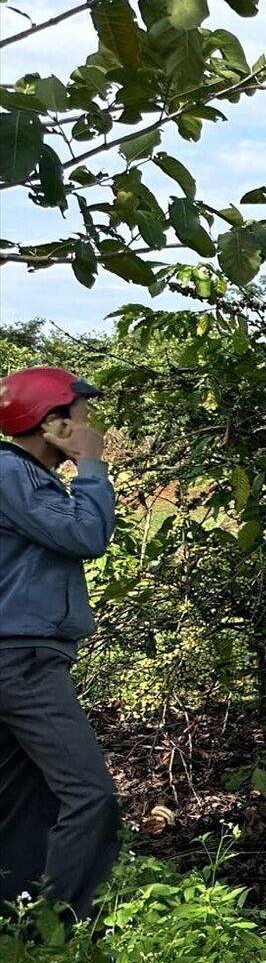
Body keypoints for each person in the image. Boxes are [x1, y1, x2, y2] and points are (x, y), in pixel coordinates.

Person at [0, 366, 119, 919]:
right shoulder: (10, 472)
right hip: (19, 658)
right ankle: (59, 929)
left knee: (29, 800)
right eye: (79, 411)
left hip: (20, 655)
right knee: (89, 795)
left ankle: (16, 918)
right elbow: (85, 535)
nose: (87, 421)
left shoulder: (21, 476)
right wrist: (91, 464)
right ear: (51, 422)